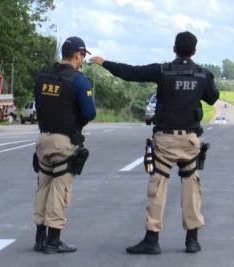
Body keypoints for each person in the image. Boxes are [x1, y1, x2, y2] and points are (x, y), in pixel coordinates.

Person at [91, 31, 219, 254]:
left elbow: (130, 72)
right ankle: (192, 239)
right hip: (189, 139)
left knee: (158, 186)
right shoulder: (203, 75)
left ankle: (152, 239)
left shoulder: (162, 71)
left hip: (165, 139)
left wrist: (104, 62)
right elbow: (212, 97)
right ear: (195, 51)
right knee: (191, 187)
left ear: (174, 49)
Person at [32, 36, 96, 254]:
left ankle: (39, 238)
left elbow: (38, 105)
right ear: (77, 55)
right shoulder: (78, 80)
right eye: (82, 56)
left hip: (43, 139)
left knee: (43, 187)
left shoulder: (43, 75)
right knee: (60, 190)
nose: (82, 60)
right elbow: (89, 113)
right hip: (64, 142)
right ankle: (53, 240)